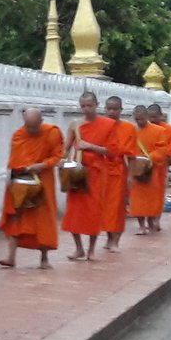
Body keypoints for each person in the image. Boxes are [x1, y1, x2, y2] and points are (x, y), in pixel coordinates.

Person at [0, 109, 63, 268]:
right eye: (28, 127)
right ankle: (11, 257)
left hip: (43, 179)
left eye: (35, 127)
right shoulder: (19, 135)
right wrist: (24, 168)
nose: (31, 131)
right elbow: (14, 160)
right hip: (21, 179)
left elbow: (57, 156)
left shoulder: (52, 133)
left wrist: (42, 165)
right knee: (16, 216)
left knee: (43, 217)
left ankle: (44, 258)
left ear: (41, 122)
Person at [62, 92, 115, 262]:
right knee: (73, 212)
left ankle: (91, 249)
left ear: (96, 105)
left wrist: (90, 146)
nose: (86, 109)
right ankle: (79, 248)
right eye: (83, 106)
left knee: (93, 212)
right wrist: (60, 161)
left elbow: (111, 151)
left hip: (96, 173)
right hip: (77, 173)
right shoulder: (75, 125)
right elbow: (66, 148)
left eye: (90, 105)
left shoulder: (108, 125)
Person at [101, 96, 134, 249]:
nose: (112, 112)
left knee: (118, 207)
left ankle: (116, 240)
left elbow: (131, 155)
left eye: (115, 109)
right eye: (109, 109)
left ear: (121, 110)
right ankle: (109, 237)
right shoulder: (100, 126)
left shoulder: (128, 128)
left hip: (120, 171)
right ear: (105, 109)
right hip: (102, 171)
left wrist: (131, 176)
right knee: (105, 208)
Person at [127, 106, 164, 234]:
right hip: (136, 169)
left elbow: (162, 150)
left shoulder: (158, 131)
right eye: (137, 119)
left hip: (151, 168)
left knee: (151, 198)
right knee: (137, 200)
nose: (139, 122)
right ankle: (141, 226)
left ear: (147, 117)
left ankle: (151, 220)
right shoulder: (131, 131)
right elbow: (128, 149)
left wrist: (148, 158)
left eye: (142, 119)